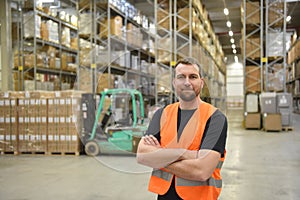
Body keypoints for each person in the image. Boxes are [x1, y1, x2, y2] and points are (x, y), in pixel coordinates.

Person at [136, 57, 227, 200]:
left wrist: (160, 155)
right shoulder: (162, 114)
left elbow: (202, 171)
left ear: (201, 83)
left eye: (193, 77)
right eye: (181, 77)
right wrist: (185, 154)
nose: (187, 82)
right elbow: (142, 155)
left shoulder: (215, 118)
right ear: (174, 83)